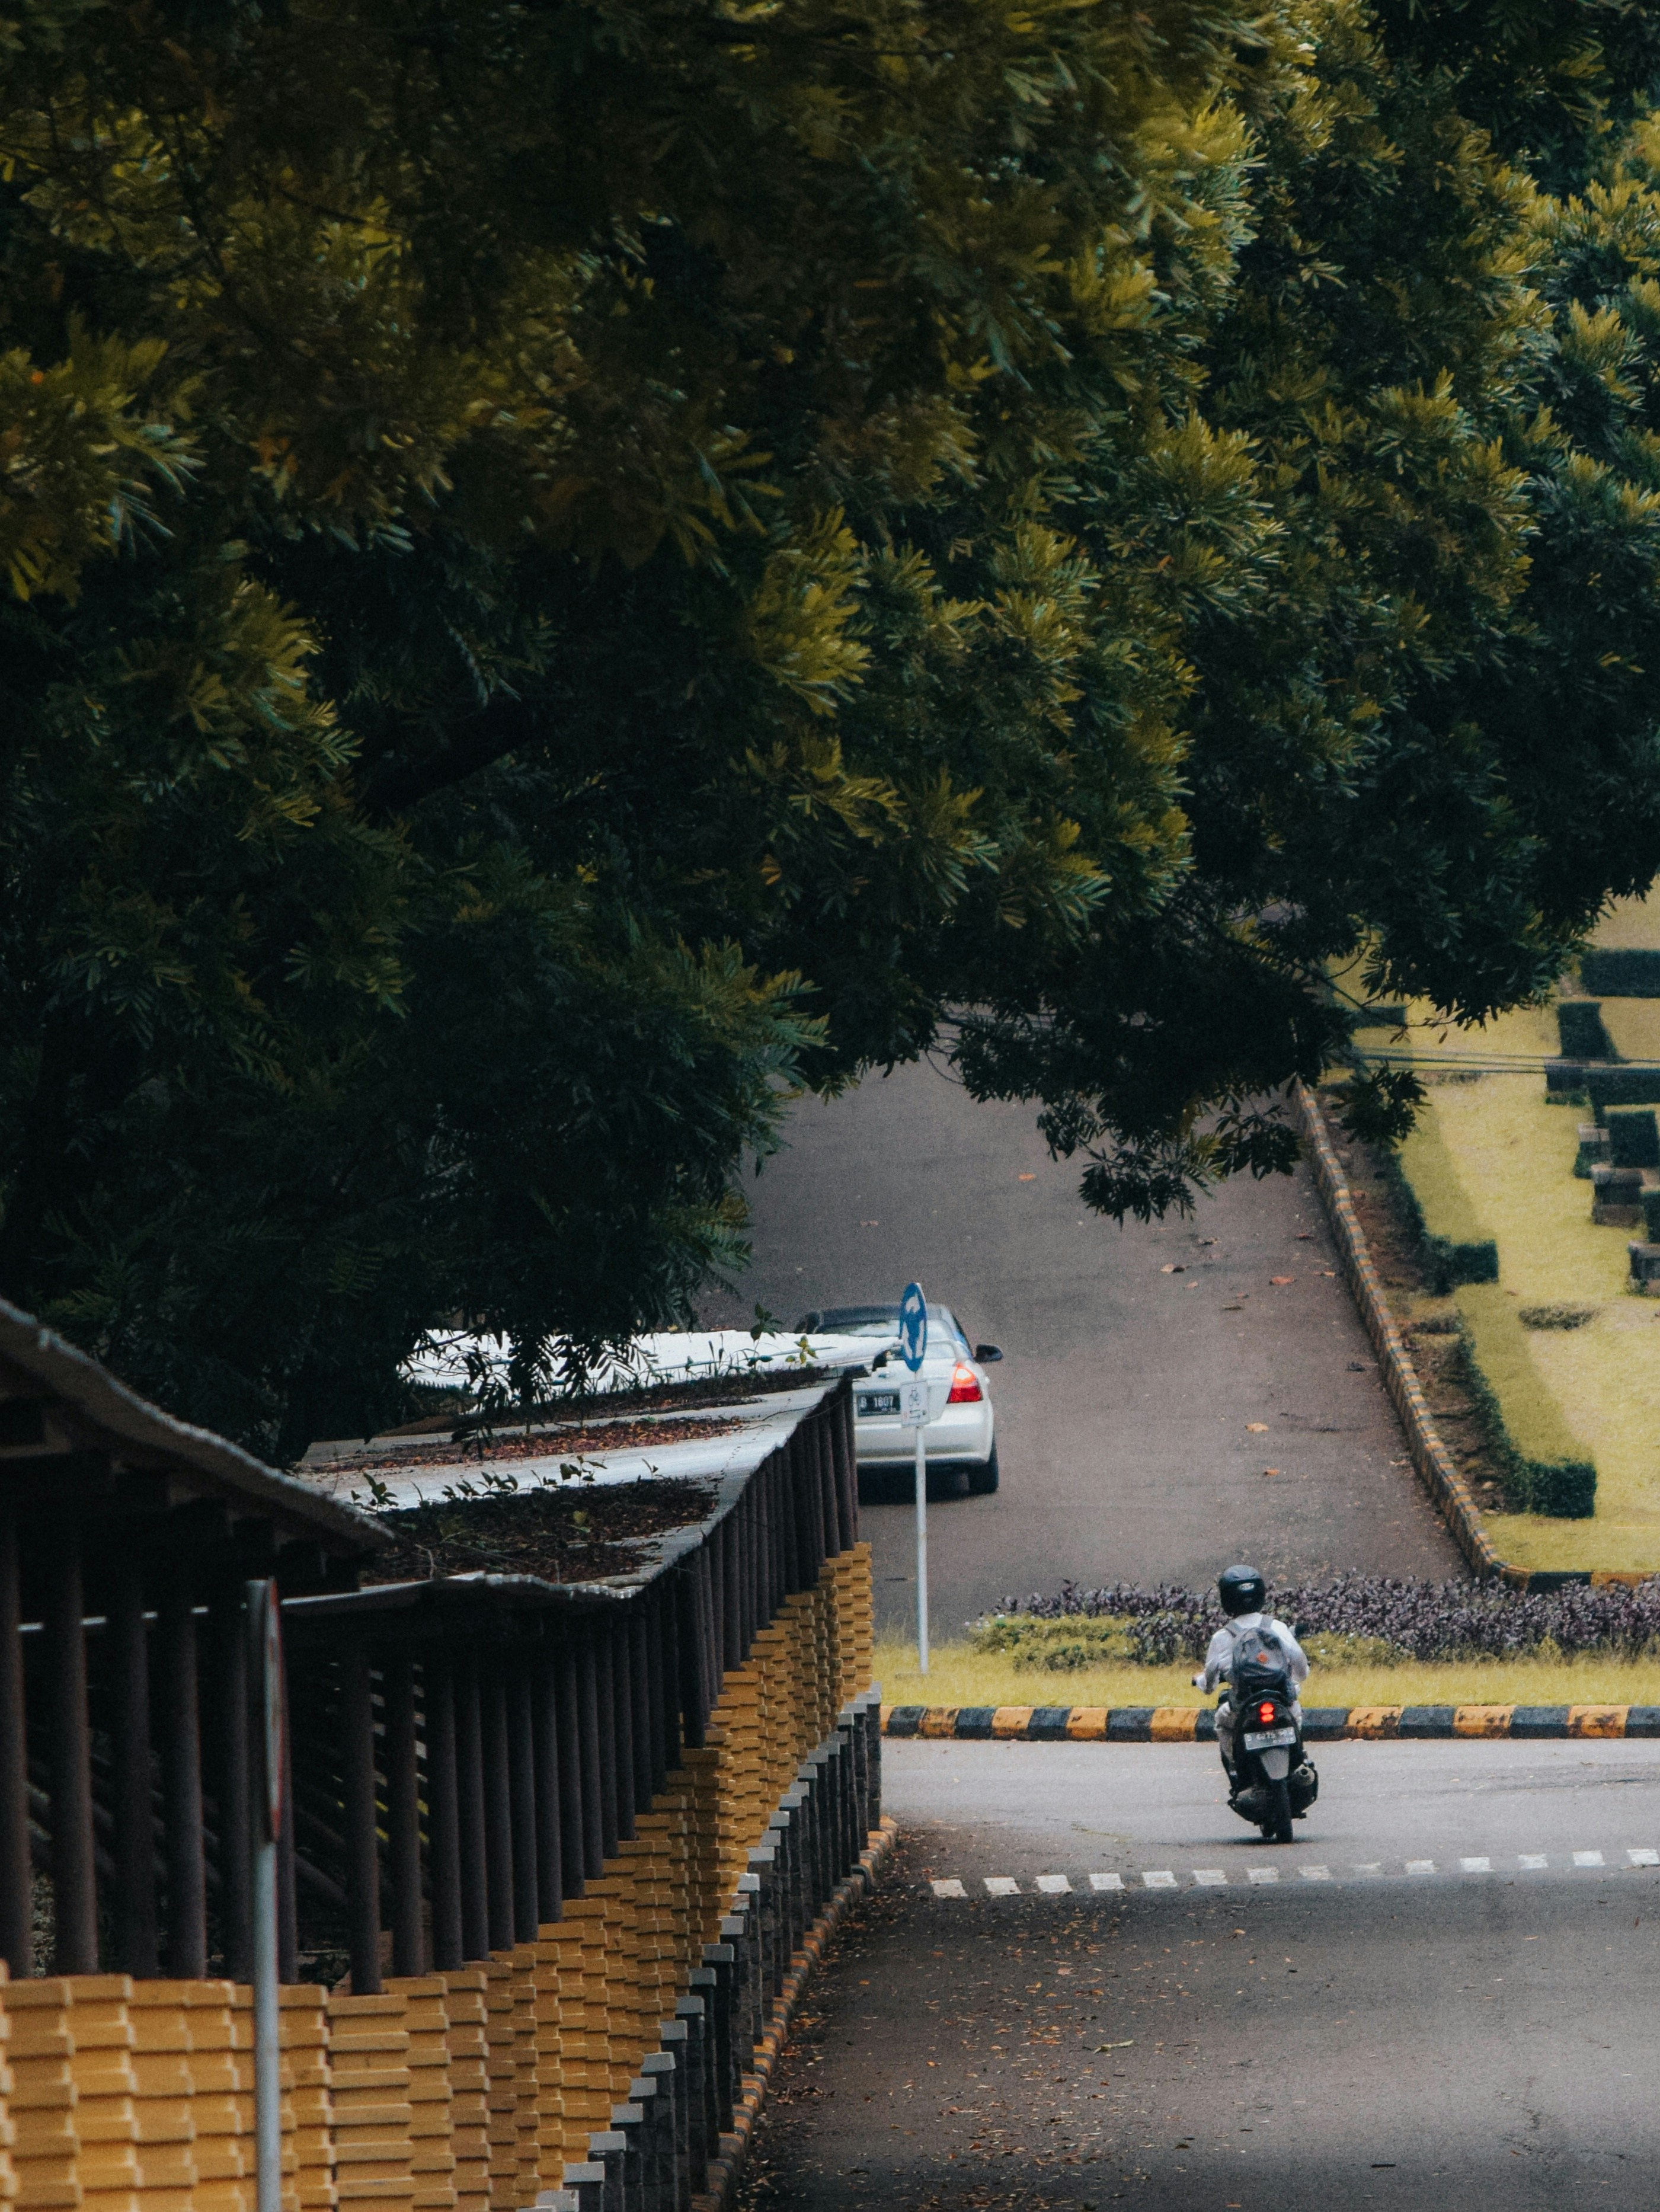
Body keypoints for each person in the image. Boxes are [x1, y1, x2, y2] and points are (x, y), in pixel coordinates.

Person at [1192, 1564, 1309, 1789]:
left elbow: (1209, 1683)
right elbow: (1299, 1663)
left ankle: (1236, 1769)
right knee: (1295, 1714)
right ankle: (1300, 1758)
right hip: (1282, 1703)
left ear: (1226, 1599)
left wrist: (1201, 1683)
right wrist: (1299, 1676)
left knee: (1222, 1722)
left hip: (1244, 1709)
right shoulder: (1277, 1627)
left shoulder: (1222, 1637)